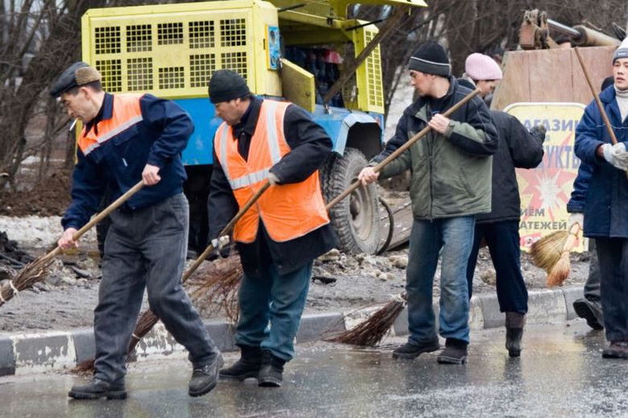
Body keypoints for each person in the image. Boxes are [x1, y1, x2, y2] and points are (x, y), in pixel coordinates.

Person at [51, 62, 222, 399]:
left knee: (163, 293)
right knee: (112, 301)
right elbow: (85, 189)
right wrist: (72, 226)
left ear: (85, 93)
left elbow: (181, 122)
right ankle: (109, 378)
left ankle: (206, 356)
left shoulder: (138, 105)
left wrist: (157, 159)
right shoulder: (86, 139)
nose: (68, 109)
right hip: (123, 224)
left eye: (68, 102)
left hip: (165, 214)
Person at [359, 42, 498, 364]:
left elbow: (489, 141)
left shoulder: (468, 103)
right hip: (425, 207)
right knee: (417, 277)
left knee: (452, 278)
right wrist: (376, 168)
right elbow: (399, 150)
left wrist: (451, 128)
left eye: (414, 74)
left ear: (433, 74)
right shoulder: (414, 112)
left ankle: (456, 341)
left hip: (460, 207)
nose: (411, 80)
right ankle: (422, 336)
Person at [207, 69, 337, 386]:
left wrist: (284, 169)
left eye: (219, 105)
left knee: (286, 299)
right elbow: (221, 189)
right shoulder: (222, 137)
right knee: (251, 299)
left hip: (295, 226)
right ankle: (251, 358)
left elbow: (320, 143)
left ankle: (275, 362)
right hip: (253, 231)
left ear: (238, 100)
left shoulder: (283, 115)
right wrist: (219, 230)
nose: (216, 112)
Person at [458, 54, 545, 358]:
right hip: (500, 210)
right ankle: (514, 335)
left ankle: (457, 337)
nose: (492, 89)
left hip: (463, 209)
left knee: (459, 274)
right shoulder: (504, 121)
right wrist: (537, 136)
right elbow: (530, 155)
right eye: (490, 84)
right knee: (509, 270)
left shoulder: (450, 124)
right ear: (479, 85)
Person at [574, 38, 628, 358]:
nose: (621, 71)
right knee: (610, 276)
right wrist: (602, 150)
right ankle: (617, 337)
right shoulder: (597, 105)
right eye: (618, 65)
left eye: (627, 67)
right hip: (605, 204)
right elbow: (580, 141)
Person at [567, 75, 614, 331]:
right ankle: (595, 302)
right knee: (601, 254)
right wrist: (577, 206)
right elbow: (586, 171)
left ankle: (602, 303)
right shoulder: (595, 137)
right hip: (602, 205)